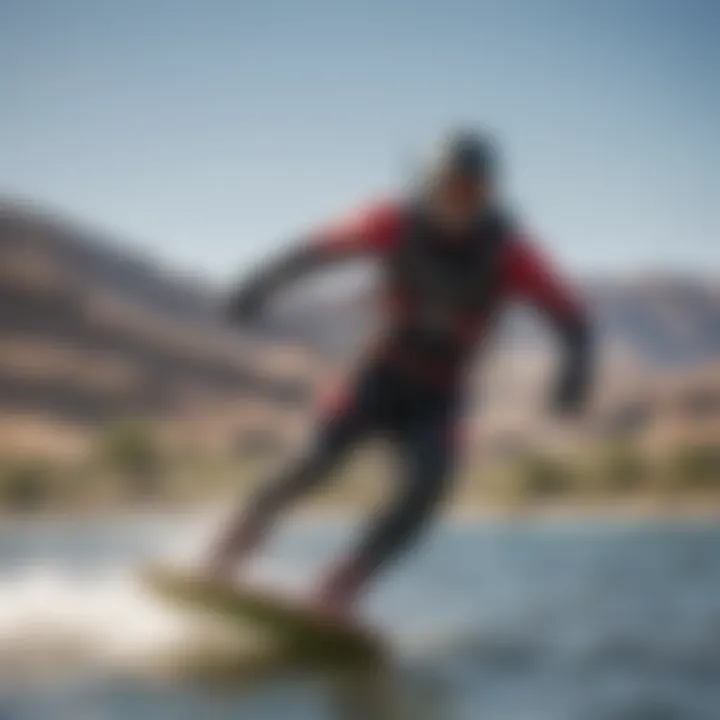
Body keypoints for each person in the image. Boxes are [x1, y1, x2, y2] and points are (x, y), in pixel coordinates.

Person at [207, 129, 593, 620]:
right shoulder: (389, 221)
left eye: (470, 193)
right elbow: (310, 253)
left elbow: (572, 320)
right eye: (448, 189)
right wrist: (255, 287)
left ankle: (337, 590)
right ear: (427, 185)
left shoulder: (511, 252)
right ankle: (226, 554)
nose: (457, 205)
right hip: (378, 375)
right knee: (312, 464)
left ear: (488, 195)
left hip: (442, 394)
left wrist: (573, 378)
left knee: (427, 490)